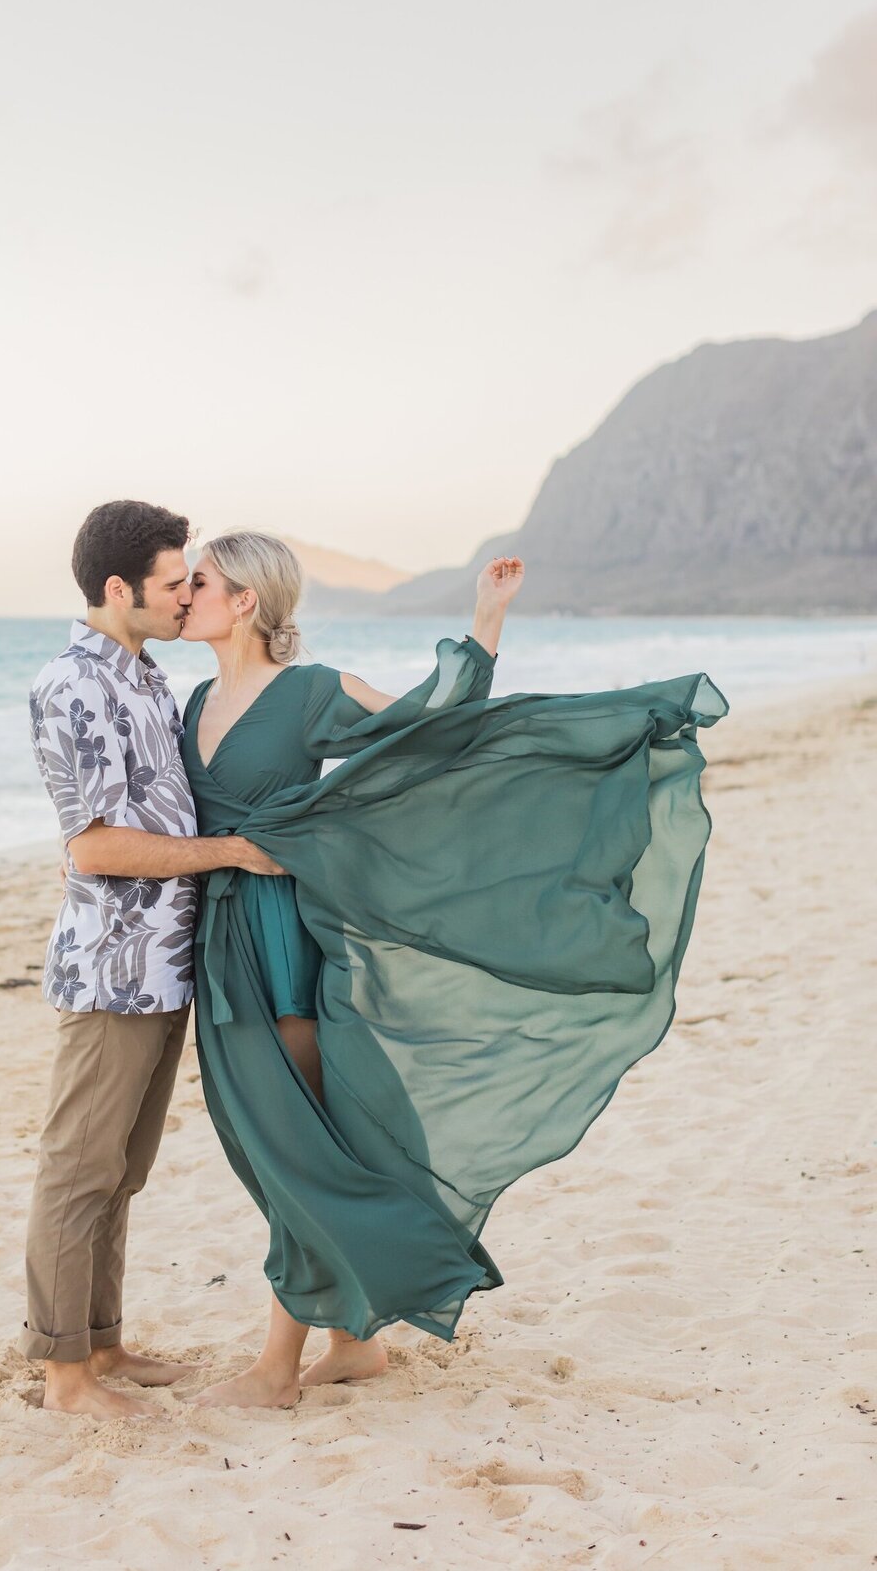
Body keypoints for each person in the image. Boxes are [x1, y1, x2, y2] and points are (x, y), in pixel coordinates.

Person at [176, 531, 727, 1409]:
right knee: (267, 1142)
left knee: (297, 1146)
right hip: (218, 940)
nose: (182, 591)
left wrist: (484, 624)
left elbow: (430, 728)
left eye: (197, 580)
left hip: (284, 940)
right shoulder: (196, 697)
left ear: (244, 600)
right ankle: (354, 1344)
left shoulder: (310, 692)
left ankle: (277, 1369)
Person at [19, 500, 283, 1423]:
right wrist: (230, 853)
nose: (186, 597)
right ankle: (64, 1378)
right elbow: (93, 847)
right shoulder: (72, 685)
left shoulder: (146, 676)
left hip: (165, 965)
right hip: (110, 971)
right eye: (174, 583)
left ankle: (103, 1343)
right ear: (119, 588)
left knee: (122, 1171)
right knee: (78, 1168)